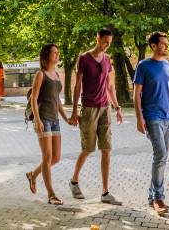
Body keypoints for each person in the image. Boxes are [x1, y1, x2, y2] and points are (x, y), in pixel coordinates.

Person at [67, 28, 123, 205]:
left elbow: (109, 85)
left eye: (109, 43)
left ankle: (105, 193)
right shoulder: (84, 58)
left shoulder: (107, 60)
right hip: (89, 109)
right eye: (105, 41)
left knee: (106, 150)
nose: (107, 45)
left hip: (105, 108)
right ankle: (74, 181)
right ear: (97, 38)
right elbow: (77, 87)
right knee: (88, 148)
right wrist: (75, 110)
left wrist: (117, 106)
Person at [133, 31, 169, 216]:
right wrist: (139, 118)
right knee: (160, 155)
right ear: (154, 46)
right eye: (163, 44)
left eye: (166, 43)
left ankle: (152, 197)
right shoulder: (143, 66)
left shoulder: (167, 65)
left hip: (168, 118)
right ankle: (158, 198)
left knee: (161, 158)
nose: (166, 46)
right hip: (152, 116)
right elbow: (136, 94)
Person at [25, 44, 70, 205]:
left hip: (55, 120)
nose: (57, 55)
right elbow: (34, 98)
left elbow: (58, 101)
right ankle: (51, 194)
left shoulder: (56, 75)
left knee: (56, 157)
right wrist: (37, 120)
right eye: (54, 53)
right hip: (43, 118)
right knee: (47, 157)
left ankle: (32, 175)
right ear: (46, 56)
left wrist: (66, 118)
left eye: (58, 52)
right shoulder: (40, 74)